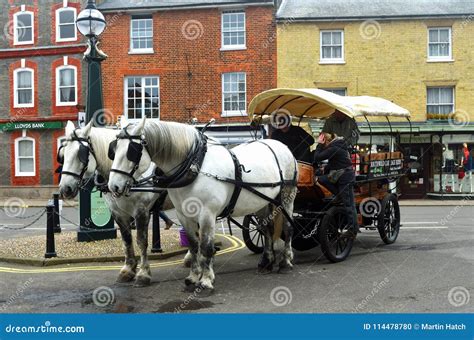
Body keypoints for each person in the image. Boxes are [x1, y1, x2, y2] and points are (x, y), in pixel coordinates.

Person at [313, 132, 358, 237]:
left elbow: (317, 157)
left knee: (349, 204)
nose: (324, 147)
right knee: (322, 179)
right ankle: (339, 196)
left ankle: (353, 229)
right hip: (341, 175)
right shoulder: (337, 145)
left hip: (345, 177)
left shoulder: (334, 147)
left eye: (325, 144)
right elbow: (337, 162)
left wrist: (319, 144)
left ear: (327, 141)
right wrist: (325, 168)